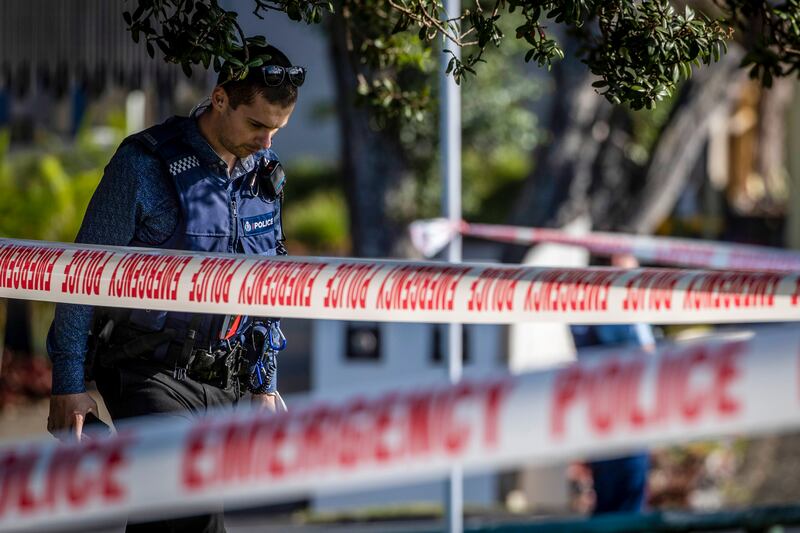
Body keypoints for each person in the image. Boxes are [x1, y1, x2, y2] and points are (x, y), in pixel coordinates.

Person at [45, 44, 304, 532]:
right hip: (150, 374)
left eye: (276, 130)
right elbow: (81, 273)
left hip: (226, 382)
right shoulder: (143, 165)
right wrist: (69, 384)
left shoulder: (265, 177)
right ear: (220, 99)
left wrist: (264, 383)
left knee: (178, 519)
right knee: (191, 509)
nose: (267, 143)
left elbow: (266, 282)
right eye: (256, 126)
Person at [570, 253, 655, 515]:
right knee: (617, 506)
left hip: (636, 422)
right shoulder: (605, 319)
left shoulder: (636, 313)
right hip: (617, 423)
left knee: (628, 502)